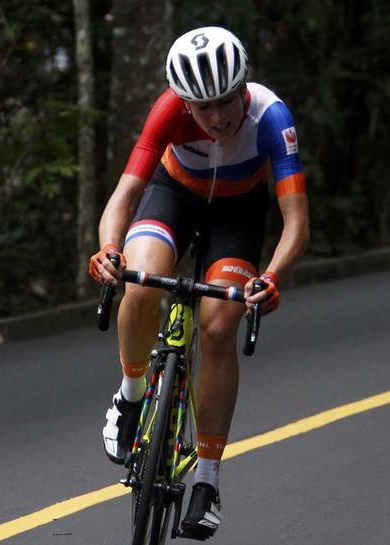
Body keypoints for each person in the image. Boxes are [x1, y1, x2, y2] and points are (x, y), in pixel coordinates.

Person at [89, 26, 309, 540]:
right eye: (200, 106)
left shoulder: (271, 118)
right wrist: (109, 248)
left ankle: (207, 478)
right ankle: (130, 395)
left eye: (225, 101)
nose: (215, 117)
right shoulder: (169, 110)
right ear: (184, 102)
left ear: (243, 86)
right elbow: (125, 194)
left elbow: (295, 221)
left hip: (238, 213)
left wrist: (272, 277)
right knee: (139, 286)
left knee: (216, 327)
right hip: (175, 195)